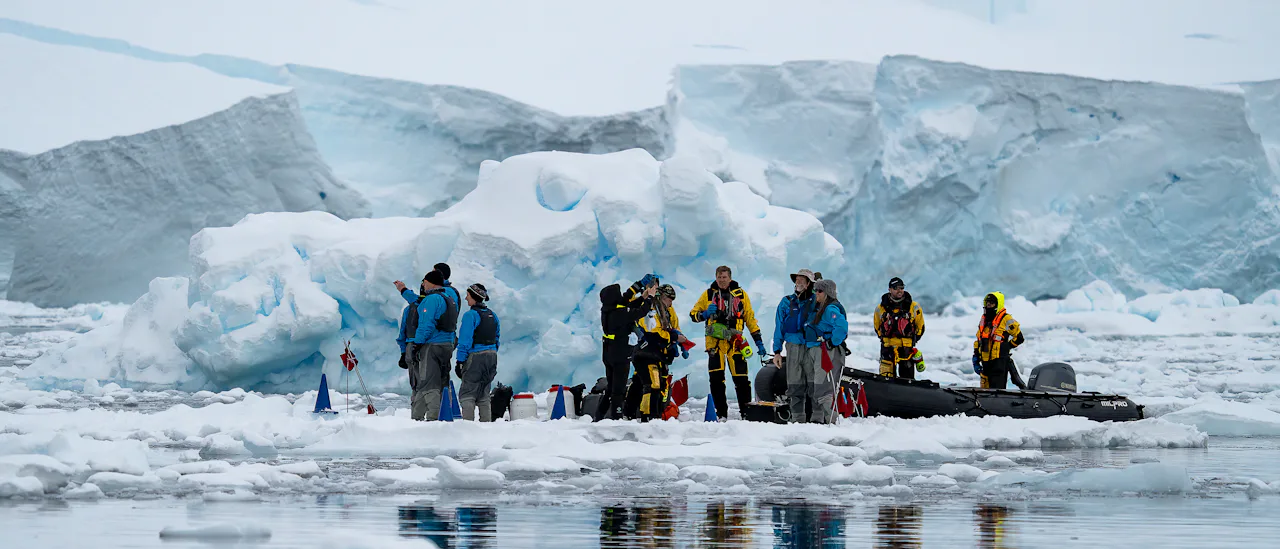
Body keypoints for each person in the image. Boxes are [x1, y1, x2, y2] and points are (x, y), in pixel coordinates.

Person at [688, 265, 765, 420]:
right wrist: (704, 314)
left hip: (734, 343)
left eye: (724, 277)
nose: (722, 280)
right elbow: (693, 315)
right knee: (716, 380)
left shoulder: (741, 295)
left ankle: (746, 413)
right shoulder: (708, 295)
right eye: (719, 277)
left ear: (730, 278)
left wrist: (759, 342)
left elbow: (749, 318)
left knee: (741, 379)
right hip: (714, 345)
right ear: (716, 278)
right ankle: (721, 413)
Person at [597, 275, 656, 420]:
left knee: (610, 388)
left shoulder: (608, 310)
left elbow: (627, 303)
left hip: (608, 352)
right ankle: (617, 417)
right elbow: (640, 312)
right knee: (619, 389)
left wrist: (641, 293)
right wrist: (650, 298)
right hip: (620, 353)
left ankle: (598, 416)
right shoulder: (620, 313)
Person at [406, 270, 459, 420]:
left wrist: (417, 343)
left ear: (431, 282)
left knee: (429, 382)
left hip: (432, 345)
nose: (423, 284)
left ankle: (434, 418)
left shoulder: (431, 299)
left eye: (425, 281)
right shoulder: (449, 298)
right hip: (447, 344)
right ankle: (418, 416)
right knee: (441, 381)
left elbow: (425, 325)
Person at [631, 284, 687, 421]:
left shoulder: (669, 310)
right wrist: (673, 337)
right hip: (646, 353)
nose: (671, 302)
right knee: (652, 385)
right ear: (662, 297)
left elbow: (674, 327)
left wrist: (680, 341)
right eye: (669, 299)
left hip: (660, 354)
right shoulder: (651, 309)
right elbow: (653, 332)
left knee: (655, 385)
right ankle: (648, 416)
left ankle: (651, 414)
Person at [800, 279, 848, 423]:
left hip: (824, 350)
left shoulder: (830, 309)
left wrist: (832, 342)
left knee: (823, 385)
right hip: (815, 348)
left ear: (827, 293)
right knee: (816, 384)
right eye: (815, 290)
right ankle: (818, 418)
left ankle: (831, 420)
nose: (816, 294)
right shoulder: (820, 307)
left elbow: (842, 327)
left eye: (819, 291)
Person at [772, 269, 816, 422]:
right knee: (795, 384)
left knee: (814, 383)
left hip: (812, 347)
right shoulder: (786, 302)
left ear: (809, 283)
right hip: (793, 346)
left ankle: (817, 419)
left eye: (801, 280)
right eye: (796, 280)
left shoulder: (817, 301)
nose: (798, 282)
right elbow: (779, 327)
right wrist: (777, 351)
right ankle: (798, 419)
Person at [455, 283, 500, 421]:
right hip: (492, 355)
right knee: (484, 393)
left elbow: (465, 340)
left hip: (475, 356)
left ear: (474, 297)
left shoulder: (471, 315)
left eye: (468, 295)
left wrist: (460, 361)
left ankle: (468, 427)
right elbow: (497, 337)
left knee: (468, 393)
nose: (466, 298)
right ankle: (486, 425)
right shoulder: (493, 315)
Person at [873, 277, 926, 379]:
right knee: (886, 378)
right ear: (890, 289)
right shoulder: (880, 308)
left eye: (901, 288)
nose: (899, 291)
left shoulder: (914, 307)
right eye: (896, 288)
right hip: (887, 348)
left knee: (907, 379)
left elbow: (920, 327)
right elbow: (877, 327)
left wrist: (910, 341)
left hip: (906, 349)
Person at [972, 291, 1026, 390]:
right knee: (985, 392)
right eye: (987, 303)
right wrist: (975, 357)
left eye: (991, 303)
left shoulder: (1006, 319)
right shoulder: (984, 320)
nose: (988, 306)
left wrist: (1007, 346)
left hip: (999, 363)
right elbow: (979, 340)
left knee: (997, 392)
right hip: (985, 363)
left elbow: (1019, 338)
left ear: (998, 304)